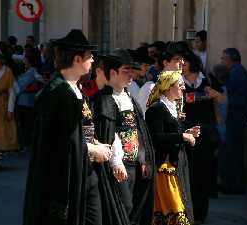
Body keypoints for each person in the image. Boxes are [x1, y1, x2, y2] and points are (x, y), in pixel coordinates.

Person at [23, 29, 107, 225]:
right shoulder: (56, 93)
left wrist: (95, 142)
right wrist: (93, 150)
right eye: (89, 56)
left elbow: (83, 127)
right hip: (66, 179)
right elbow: (58, 142)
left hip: (85, 173)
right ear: (77, 59)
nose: (93, 60)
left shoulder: (76, 89)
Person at [93, 48, 155, 225]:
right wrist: (116, 162)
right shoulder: (103, 100)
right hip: (118, 166)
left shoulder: (129, 97)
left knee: (134, 207)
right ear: (112, 73)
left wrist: (143, 159)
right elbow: (108, 134)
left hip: (134, 164)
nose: (130, 76)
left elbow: (139, 130)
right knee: (122, 206)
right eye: (125, 71)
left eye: (131, 71)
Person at [146, 70, 199, 225]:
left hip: (176, 166)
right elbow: (155, 137)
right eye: (180, 85)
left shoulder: (171, 108)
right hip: (164, 168)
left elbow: (170, 134)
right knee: (173, 210)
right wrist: (182, 136)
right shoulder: (156, 109)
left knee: (179, 208)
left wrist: (187, 133)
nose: (183, 88)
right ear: (168, 87)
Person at [181, 51, 226, 224]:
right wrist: (200, 96)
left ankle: (200, 213)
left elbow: (222, 99)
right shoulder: (178, 81)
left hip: (206, 133)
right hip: (186, 131)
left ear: (193, 64)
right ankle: (187, 211)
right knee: (188, 172)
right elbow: (180, 101)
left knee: (204, 172)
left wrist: (212, 93)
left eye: (184, 63)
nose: (181, 66)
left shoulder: (208, 79)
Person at [220, 48, 247, 194]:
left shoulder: (237, 73)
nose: (222, 61)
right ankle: (234, 183)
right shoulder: (238, 72)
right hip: (236, 116)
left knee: (233, 151)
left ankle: (235, 185)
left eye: (223, 58)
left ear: (230, 59)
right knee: (233, 151)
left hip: (235, 116)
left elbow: (229, 93)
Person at [138, 45, 184, 118]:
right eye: (177, 59)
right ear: (165, 63)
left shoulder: (179, 85)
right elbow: (143, 118)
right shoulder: (150, 88)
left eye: (182, 59)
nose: (182, 63)